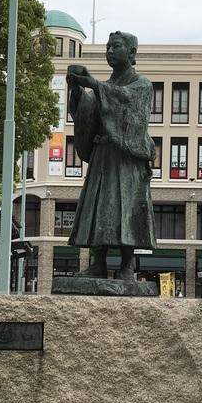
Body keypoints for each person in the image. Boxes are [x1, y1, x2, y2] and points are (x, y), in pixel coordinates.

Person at [65, 31, 155, 281]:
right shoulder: (104, 87)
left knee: (127, 208)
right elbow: (88, 113)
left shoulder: (142, 84)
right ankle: (98, 263)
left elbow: (128, 102)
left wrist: (94, 85)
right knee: (99, 206)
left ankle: (127, 265)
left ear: (132, 52)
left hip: (127, 159)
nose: (110, 51)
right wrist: (77, 90)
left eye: (115, 46)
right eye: (107, 47)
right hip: (103, 156)